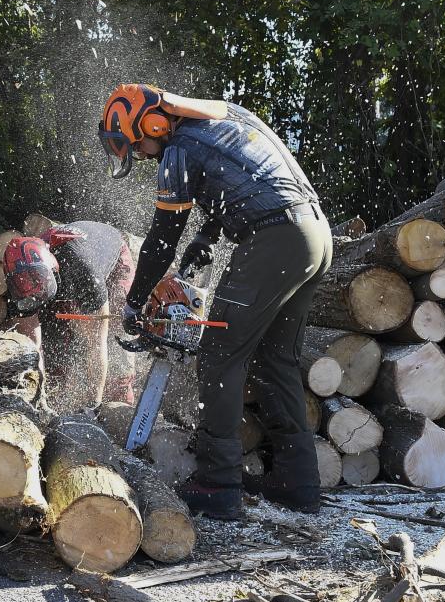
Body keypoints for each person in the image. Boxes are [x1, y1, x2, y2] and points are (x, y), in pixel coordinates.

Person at [99, 83, 331, 517]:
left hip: (274, 240)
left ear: (152, 124)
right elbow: (246, 178)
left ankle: (218, 483)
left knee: (220, 354)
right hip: (315, 235)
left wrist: (134, 304)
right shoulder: (226, 119)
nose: (144, 154)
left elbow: (159, 242)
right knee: (275, 357)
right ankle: (298, 480)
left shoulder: (177, 149)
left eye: (139, 143)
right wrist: (207, 235)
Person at [1, 222, 136, 410]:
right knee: (56, 337)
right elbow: (33, 345)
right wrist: (40, 397)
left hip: (112, 261)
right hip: (64, 276)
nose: (38, 294)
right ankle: (56, 395)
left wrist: (93, 406)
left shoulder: (83, 269)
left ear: (50, 267)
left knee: (115, 330)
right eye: (33, 292)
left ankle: (120, 401)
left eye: (41, 285)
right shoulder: (19, 284)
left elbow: (97, 344)